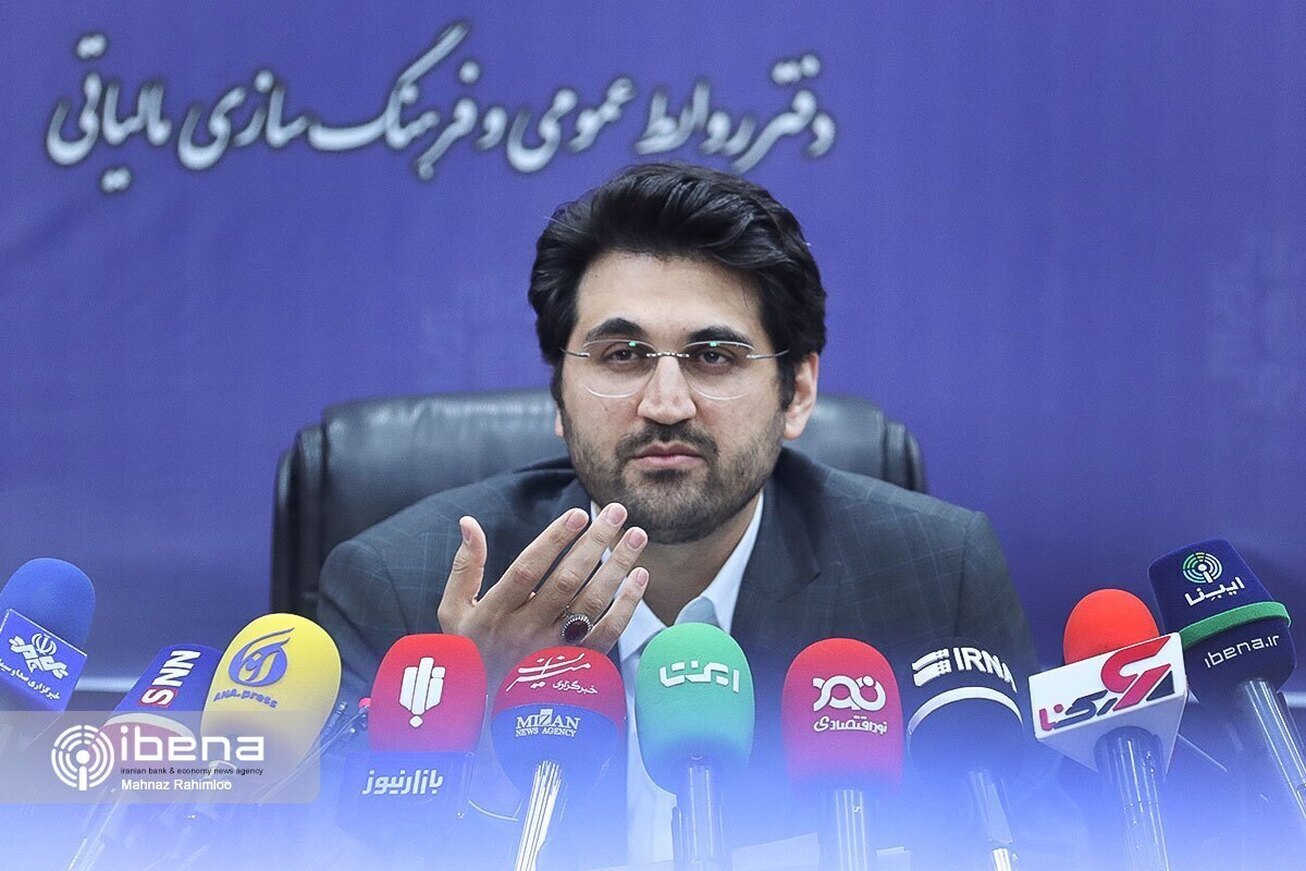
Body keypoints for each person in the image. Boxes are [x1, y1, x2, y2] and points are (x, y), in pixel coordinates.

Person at [318, 162, 1050, 868]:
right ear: (558, 395)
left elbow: (1045, 839)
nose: (666, 404)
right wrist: (473, 741)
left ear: (797, 392)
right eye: (622, 354)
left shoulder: (936, 577)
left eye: (713, 357)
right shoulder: (400, 593)